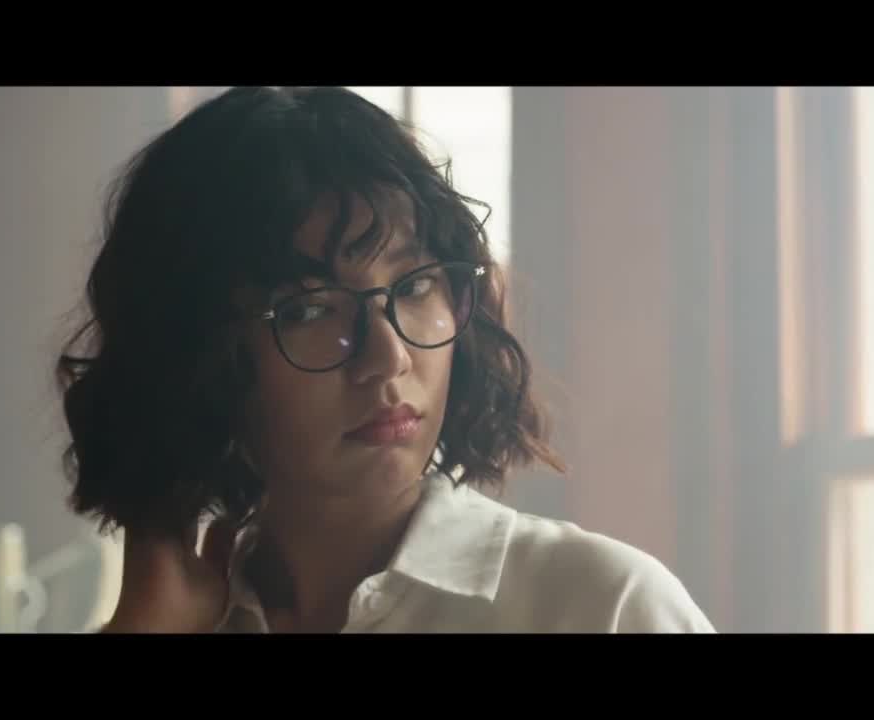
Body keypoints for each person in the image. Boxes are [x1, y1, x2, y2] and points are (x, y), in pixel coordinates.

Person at [56, 86, 715, 633]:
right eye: (311, 309)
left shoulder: (601, 606)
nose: (388, 356)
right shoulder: (186, 619)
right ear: (198, 353)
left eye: (414, 286)